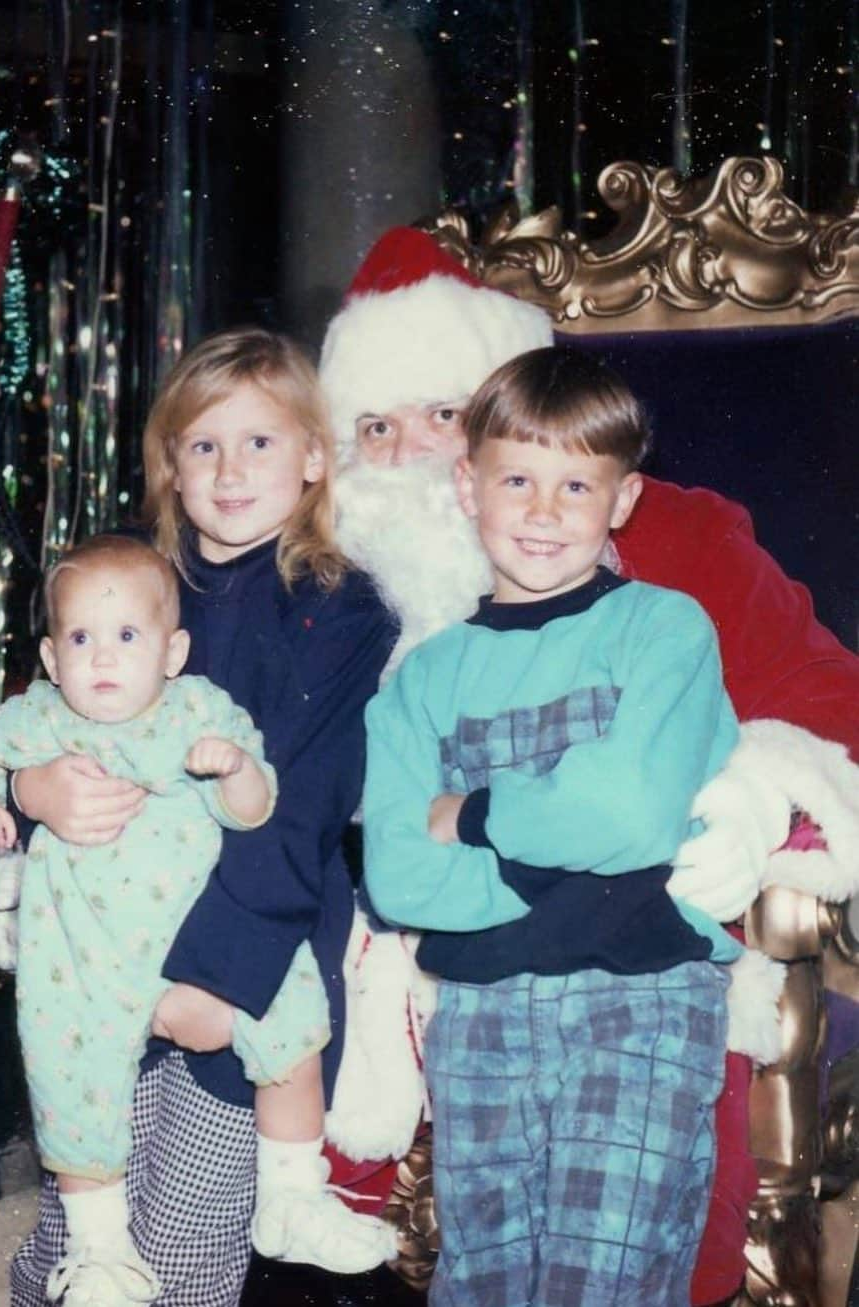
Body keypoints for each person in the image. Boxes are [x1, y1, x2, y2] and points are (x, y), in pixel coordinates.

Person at [318, 225, 859, 1304]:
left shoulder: (677, 562)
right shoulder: (326, 586)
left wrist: (748, 797)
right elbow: (379, 844)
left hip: (635, 980)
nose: (412, 451)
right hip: (452, 991)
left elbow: (821, 700)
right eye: (375, 426)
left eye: (441, 413)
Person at [0, 329, 399, 1307]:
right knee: (79, 1228)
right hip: (101, 947)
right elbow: (34, 718)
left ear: (311, 457)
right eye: (202, 444)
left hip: (241, 957)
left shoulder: (336, 609)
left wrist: (210, 978)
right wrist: (30, 786)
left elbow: (295, 812)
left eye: (259, 442)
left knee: (178, 1247)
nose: (228, 469)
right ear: (168, 462)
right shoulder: (130, 578)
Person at [365, 345, 741, 1304]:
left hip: (640, 1000)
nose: (542, 511)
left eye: (576, 484)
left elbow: (631, 812)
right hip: (481, 1014)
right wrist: (573, 860)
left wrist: (478, 813)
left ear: (621, 500)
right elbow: (403, 875)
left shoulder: (664, 628)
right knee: (484, 1283)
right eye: (517, 479)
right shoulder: (423, 678)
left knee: (600, 1279)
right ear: (468, 484)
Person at [0, 533, 389, 1303]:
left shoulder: (199, 711)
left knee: (292, 1020)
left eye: (126, 637)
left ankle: (291, 1194)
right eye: (82, 638)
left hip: (194, 944)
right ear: (51, 659)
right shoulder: (39, 718)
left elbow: (261, 809)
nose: (104, 658)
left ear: (172, 651)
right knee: (73, 1085)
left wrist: (237, 768)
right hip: (87, 953)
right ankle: (99, 1251)